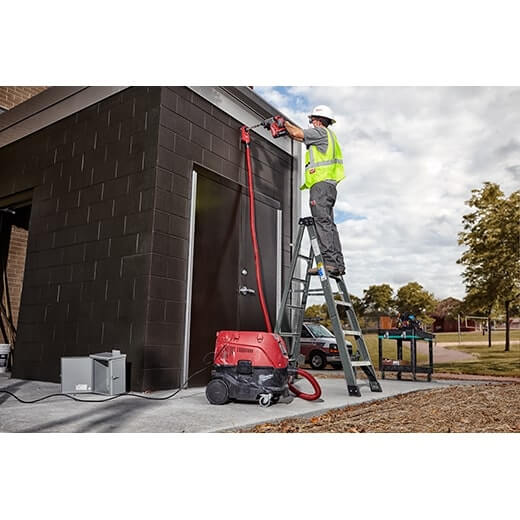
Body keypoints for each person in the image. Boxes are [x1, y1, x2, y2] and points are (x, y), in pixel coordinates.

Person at [284, 105, 346, 276]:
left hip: (320, 186)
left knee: (322, 223)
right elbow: (299, 137)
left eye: (312, 120)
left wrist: (283, 123)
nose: (311, 123)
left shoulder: (320, 132)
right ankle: (338, 264)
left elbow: (296, 133)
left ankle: (329, 263)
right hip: (329, 187)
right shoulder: (329, 136)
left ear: (318, 121)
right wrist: (288, 128)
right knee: (329, 224)